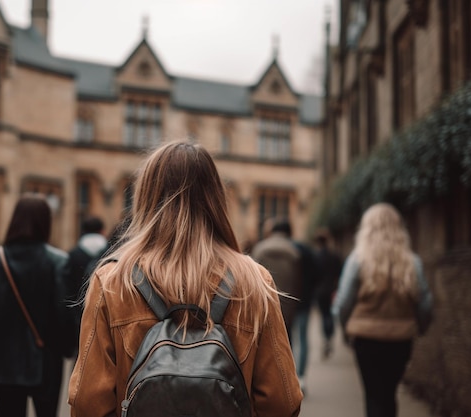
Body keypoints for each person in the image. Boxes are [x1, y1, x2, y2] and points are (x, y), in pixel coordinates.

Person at [68, 141, 303, 417]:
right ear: (216, 196)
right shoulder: (254, 280)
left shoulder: (112, 281)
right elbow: (282, 401)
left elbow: (87, 402)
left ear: (146, 196)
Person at [0, 194, 74, 417]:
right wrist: (67, 348)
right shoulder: (57, 261)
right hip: (45, 360)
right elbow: (63, 315)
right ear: (45, 222)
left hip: (2, 361)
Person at [332, 203, 433, 417]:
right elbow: (424, 303)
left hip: (366, 338)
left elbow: (344, 302)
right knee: (389, 393)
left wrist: (344, 329)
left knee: (374, 395)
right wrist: (420, 328)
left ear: (366, 228)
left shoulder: (357, 259)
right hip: (401, 340)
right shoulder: (412, 262)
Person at [251, 217, 302, 341]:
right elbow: (298, 282)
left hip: (264, 305)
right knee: (286, 341)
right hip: (287, 304)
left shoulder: (259, 249)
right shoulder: (294, 252)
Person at [289, 234, 317, 395]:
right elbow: (315, 277)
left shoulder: (286, 252)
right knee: (303, 338)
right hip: (304, 302)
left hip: (286, 303)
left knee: (287, 340)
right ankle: (302, 377)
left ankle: (288, 377)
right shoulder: (307, 253)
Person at [313, 230, 342, 359]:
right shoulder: (334, 256)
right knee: (330, 314)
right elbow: (339, 274)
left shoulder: (316, 257)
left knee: (324, 314)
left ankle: (326, 338)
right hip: (332, 290)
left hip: (320, 291)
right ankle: (330, 337)